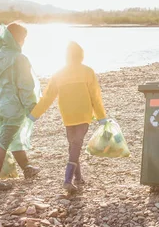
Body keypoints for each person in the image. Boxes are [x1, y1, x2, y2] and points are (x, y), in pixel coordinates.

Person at [29, 41, 108, 194]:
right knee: (76, 144)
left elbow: (47, 97)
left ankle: (78, 178)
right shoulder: (87, 71)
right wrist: (101, 117)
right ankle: (67, 180)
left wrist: (34, 114)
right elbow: (95, 97)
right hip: (83, 114)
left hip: (68, 114)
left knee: (74, 144)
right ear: (81, 56)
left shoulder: (59, 73)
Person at [0, 22, 40, 193]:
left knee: (11, 137)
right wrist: (32, 106)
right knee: (3, 142)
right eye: (23, 39)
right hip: (13, 106)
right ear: (16, 39)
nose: (24, 42)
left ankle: (27, 168)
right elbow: (25, 86)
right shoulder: (19, 59)